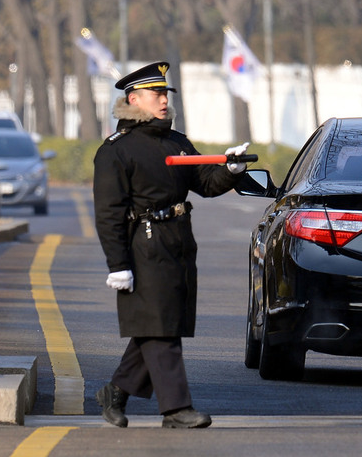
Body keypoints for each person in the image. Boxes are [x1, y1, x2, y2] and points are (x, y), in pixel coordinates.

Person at [92, 61, 249, 429]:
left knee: (161, 323)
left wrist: (231, 169)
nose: (164, 101)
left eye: (165, 94)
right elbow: (109, 213)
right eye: (156, 94)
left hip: (178, 242)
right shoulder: (117, 150)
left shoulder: (176, 141)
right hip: (143, 245)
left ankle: (115, 392)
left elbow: (205, 184)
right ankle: (176, 408)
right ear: (133, 99)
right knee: (161, 329)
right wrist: (118, 264)